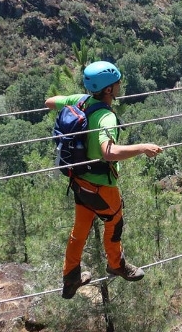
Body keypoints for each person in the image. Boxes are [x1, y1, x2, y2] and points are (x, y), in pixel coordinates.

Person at [45, 60, 163, 300]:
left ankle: (70, 277)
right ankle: (116, 264)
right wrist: (142, 147)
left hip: (78, 181)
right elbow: (108, 152)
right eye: (117, 83)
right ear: (108, 89)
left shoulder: (80, 100)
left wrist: (68, 100)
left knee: (79, 231)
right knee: (114, 223)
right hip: (101, 186)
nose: (120, 85)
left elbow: (50, 102)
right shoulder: (105, 117)